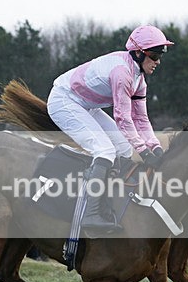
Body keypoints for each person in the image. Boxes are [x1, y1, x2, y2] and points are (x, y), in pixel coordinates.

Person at [47, 24, 174, 234]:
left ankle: (110, 201)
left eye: (161, 55)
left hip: (85, 104)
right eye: (154, 55)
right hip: (64, 100)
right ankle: (90, 213)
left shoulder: (139, 80)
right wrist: (144, 152)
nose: (158, 61)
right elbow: (123, 119)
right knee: (105, 150)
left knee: (123, 147)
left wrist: (155, 147)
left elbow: (141, 119)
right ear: (138, 53)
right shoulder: (122, 74)